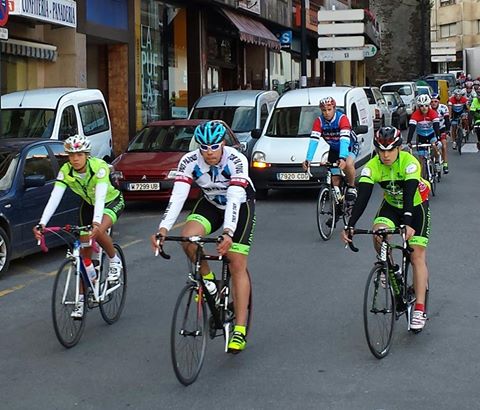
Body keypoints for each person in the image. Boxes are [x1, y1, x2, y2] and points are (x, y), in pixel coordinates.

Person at [151, 120, 256, 353]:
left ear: (223, 144)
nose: (209, 152)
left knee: (236, 261)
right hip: (209, 203)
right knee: (188, 238)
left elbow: (234, 198)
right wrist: (163, 229)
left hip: (239, 206)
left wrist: (228, 232)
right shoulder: (189, 161)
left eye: (214, 146)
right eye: (204, 148)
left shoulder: (236, 160)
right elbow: (178, 197)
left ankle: (239, 328)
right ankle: (208, 281)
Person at [342, 126, 431, 331]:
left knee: (416, 255)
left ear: (398, 148)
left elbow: (409, 196)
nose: (386, 155)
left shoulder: (410, 163)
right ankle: (391, 267)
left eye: (390, 150)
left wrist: (407, 224)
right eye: (381, 150)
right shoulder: (372, 167)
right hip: (391, 206)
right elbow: (362, 197)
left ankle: (419, 308)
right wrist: (350, 225)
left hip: (416, 207)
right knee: (378, 232)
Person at [33, 135, 125, 318]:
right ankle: (81, 300)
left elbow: (100, 198)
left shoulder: (98, 167)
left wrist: (97, 223)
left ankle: (115, 261)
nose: (75, 159)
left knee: (97, 232)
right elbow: (55, 198)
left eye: (79, 154)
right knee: (84, 258)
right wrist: (42, 223)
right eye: (71, 155)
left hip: (110, 201)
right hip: (88, 205)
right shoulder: (66, 171)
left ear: (86, 155)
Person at [303, 96, 358, 202]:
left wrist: (342, 157)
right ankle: (337, 206)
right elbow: (313, 141)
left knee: (348, 164)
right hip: (334, 148)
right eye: (324, 110)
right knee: (335, 179)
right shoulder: (319, 121)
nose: (326, 113)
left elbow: (344, 140)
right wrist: (308, 159)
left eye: (329, 109)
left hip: (350, 146)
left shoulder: (342, 119)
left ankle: (352, 187)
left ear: (334, 108)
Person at [406, 94, 440, 170]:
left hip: (431, 135)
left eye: (426, 105)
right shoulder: (415, 114)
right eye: (421, 106)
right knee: (421, 158)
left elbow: (436, 127)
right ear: (419, 107)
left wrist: (438, 138)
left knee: (434, 145)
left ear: (429, 105)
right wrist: (409, 141)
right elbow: (411, 129)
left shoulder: (433, 113)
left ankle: (437, 161)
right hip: (421, 137)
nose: (424, 108)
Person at [430, 93, 450, 174]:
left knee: (444, 146)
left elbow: (447, 120)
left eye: (435, 101)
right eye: (432, 102)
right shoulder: (428, 109)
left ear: (439, 102)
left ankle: (445, 164)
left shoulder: (443, 108)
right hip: (432, 130)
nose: (433, 103)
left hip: (442, 129)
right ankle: (436, 160)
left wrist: (448, 130)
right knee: (434, 146)